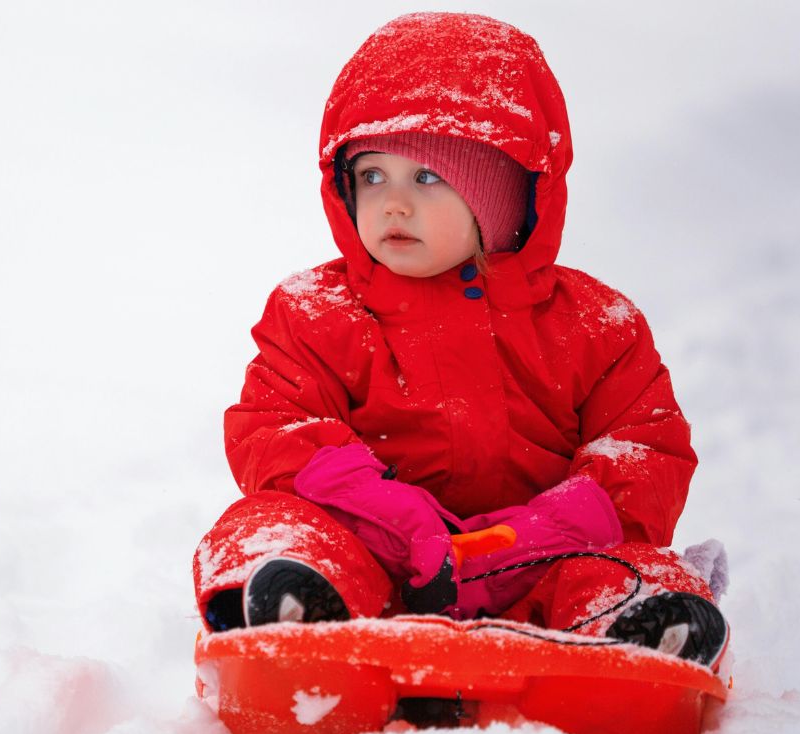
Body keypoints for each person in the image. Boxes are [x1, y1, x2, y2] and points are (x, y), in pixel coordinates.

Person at [192, 12, 728, 669]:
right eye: (370, 176)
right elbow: (277, 428)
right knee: (265, 525)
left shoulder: (597, 323)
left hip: (545, 561)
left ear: (507, 195)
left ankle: (637, 628)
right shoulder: (313, 312)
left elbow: (643, 448)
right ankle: (293, 609)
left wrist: (540, 531)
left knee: (628, 562)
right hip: (377, 555)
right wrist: (389, 514)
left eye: (426, 177)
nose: (392, 203)